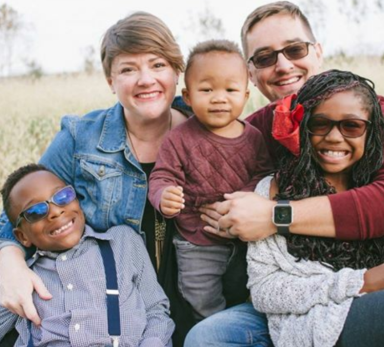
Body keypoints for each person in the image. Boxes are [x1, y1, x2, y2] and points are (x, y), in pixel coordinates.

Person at [186, 1, 384, 346]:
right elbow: (197, 149)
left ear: (317, 52)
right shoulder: (252, 133)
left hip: (373, 282)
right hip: (296, 294)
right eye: (265, 58)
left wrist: (275, 215)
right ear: (251, 75)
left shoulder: (373, 116)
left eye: (294, 49)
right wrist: (227, 212)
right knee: (209, 336)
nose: (283, 66)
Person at [0, 11, 194, 346]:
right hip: (110, 306)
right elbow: (21, 209)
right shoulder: (80, 138)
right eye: (128, 69)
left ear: (178, 70)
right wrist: (8, 258)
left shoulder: (209, 132)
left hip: (189, 303)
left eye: (158, 64)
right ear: (110, 81)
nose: (145, 79)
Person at [247, 70, 384, 347]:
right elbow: (264, 291)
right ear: (302, 127)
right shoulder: (272, 191)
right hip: (317, 325)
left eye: (351, 126)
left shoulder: (377, 189)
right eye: (319, 124)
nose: (333, 137)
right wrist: (361, 282)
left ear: (371, 131)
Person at [149, 40, 268, 321]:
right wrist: (163, 194)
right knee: (200, 297)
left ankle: (239, 329)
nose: (219, 98)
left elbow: (264, 175)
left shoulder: (253, 138)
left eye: (230, 89)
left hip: (243, 240)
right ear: (188, 96)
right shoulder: (179, 138)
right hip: (197, 242)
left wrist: (244, 199)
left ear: (246, 95)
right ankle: (211, 330)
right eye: (207, 90)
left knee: (244, 291)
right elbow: (162, 174)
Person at [0, 163, 174, 346]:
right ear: (22, 236)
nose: (56, 211)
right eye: (36, 212)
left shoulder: (123, 242)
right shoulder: (21, 280)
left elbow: (156, 312)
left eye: (63, 196)